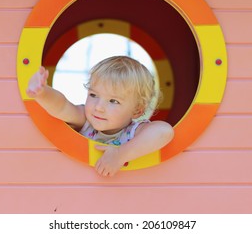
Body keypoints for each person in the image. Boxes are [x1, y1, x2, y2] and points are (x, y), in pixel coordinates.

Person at [26, 56, 174, 177]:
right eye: (93, 95)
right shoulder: (86, 120)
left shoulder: (134, 131)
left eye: (113, 101)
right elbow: (62, 106)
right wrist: (42, 93)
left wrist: (120, 155)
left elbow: (164, 131)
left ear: (137, 111)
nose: (98, 107)